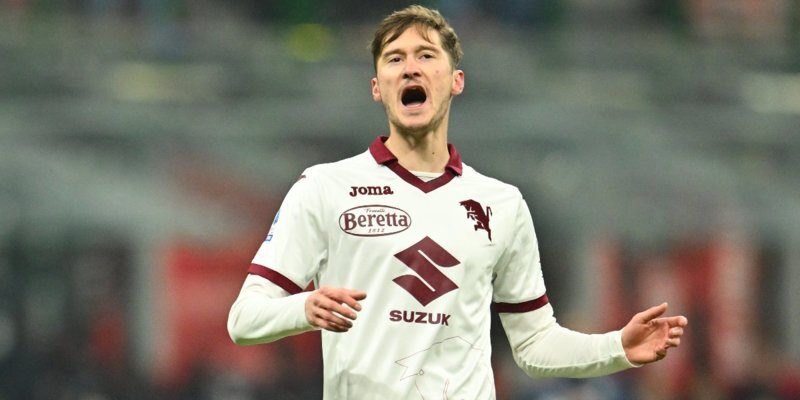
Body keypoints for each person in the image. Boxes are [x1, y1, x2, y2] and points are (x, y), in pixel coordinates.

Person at [227, 5, 688, 399]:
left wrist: (617, 348)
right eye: (394, 59)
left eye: (426, 56)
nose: (410, 68)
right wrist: (305, 308)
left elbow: (534, 345)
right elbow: (244, 319)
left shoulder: (501, 204)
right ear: (377, 86)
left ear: (455, 81)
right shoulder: (324, 187)